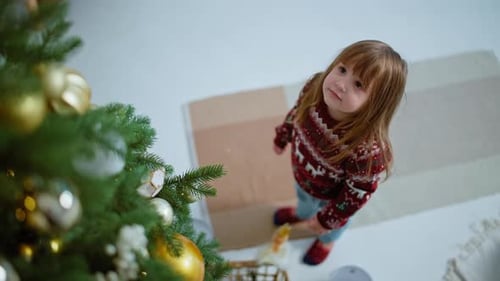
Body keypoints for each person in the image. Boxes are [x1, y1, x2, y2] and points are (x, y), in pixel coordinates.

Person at [273, 40, 407, 265]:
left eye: (358, 84)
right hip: (302, 173)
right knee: (303, 199)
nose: (341, 84)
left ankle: (326, 241)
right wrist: (284, 134)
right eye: (342, 69)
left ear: (375, 104)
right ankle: (303, 214)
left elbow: (355, 195)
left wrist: (328, 219)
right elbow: (297, 112)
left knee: (335, 224)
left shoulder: (367, 151)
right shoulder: (315, 87)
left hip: (334, 200)